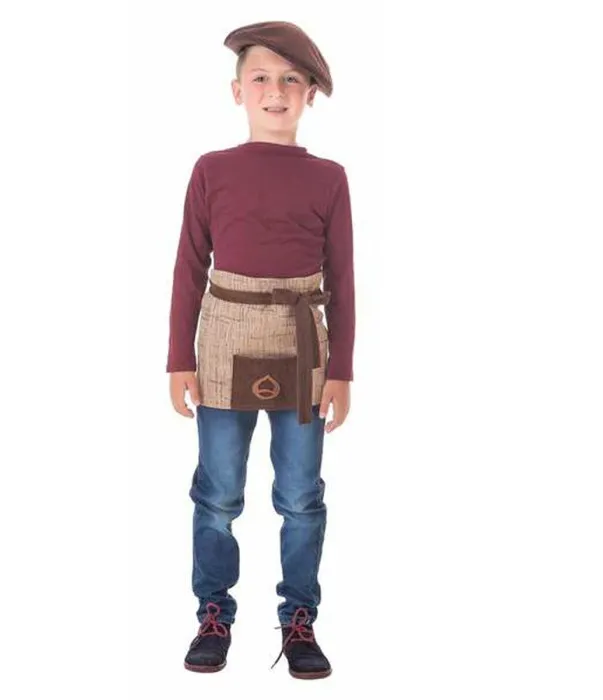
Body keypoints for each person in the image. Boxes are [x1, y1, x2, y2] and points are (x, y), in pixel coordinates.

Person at [166, 20, 355, 680]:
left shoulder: (329, 178)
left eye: (291, 80)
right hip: (224, 342)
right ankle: (213, 615)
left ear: (310, 94)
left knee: (301, 495)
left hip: (303, 348)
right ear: (237, 90)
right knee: (218, 494)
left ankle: (299, 619)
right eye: (261, 78)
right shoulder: (212, 170)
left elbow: (342, 278)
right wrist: (179, 358)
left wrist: (342, 370)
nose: (276, 91)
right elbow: (190, 265)